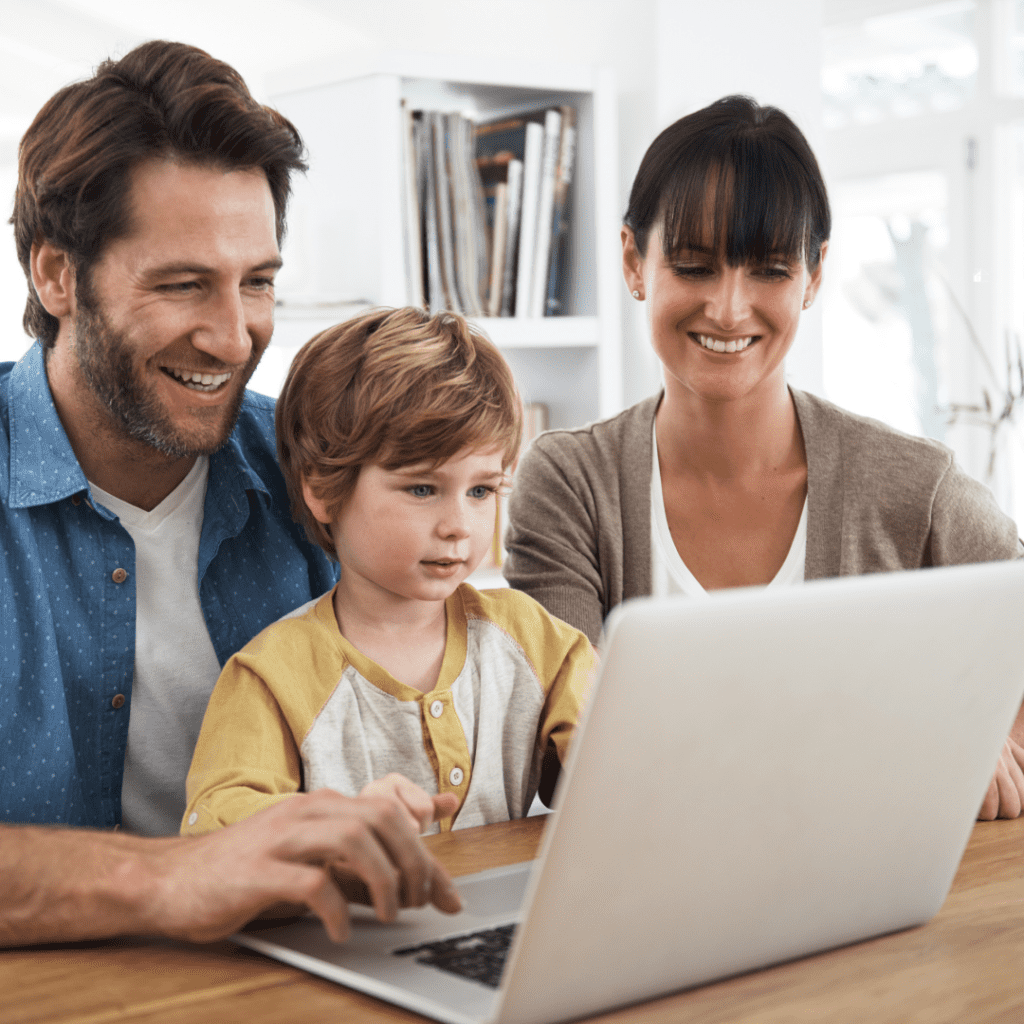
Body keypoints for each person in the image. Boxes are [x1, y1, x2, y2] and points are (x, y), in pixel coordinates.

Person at [0, 40, 460, 947]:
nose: (233, 335)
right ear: (57, 276)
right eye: (182, 286)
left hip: (311, 968)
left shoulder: (319, 468)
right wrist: (172, 878)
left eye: (257, 283)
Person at [503, 95, 1024, 820]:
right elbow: (561, 761)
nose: (728, 308)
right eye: (693, 265)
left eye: (771, 271)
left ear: (814, 277)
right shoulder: (570, 486)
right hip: (650, 895)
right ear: (633, 261)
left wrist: (992, 726)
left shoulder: (913, 486)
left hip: (868, 888)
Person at [181, 306, 595, 837]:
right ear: (323, 489)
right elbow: (211, 835)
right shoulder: (273, 676)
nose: (459, 526)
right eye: (422, 489)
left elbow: (615, 767)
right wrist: (332, 826)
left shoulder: (533, 639)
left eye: (482, 491)